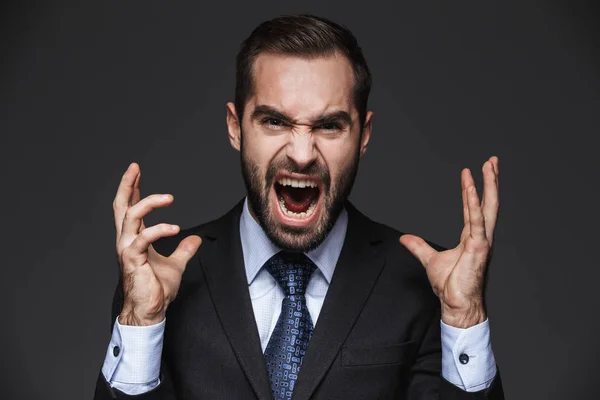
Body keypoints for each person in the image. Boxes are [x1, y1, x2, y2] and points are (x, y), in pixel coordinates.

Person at [94, 14, 504, 400]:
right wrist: (141, 321)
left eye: (329, 126)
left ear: (363, 134)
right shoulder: (161, 274)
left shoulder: (423, 283)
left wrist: (464, 315)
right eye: (275, 121)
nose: (303, 154)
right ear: (236, 127)